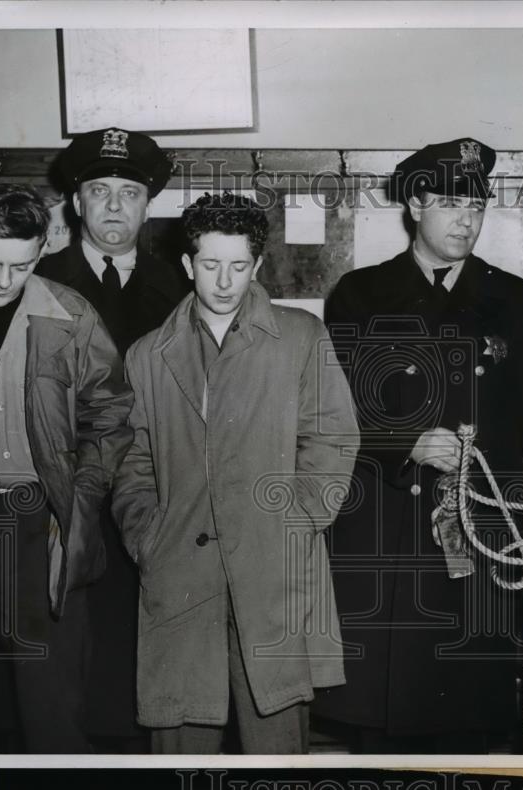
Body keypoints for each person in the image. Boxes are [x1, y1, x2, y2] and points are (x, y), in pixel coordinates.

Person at [314, 137, 523, 753]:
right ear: (415, 206)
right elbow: (329, 413)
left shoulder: (511, 297)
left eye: (476, 205)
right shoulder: (360, 295)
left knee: (473, 716)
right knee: (386, 723)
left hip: (482, 536)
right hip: (388, 531)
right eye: (449, 203)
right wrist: (403, 443)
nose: (466, 219)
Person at [111, 192, 358, 754]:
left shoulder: (300, 338)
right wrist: (147, 535)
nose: (224, 281)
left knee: (276, 742)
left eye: (239, 266)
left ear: (259, 264)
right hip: (180, 573)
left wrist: (292, 524)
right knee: (181, 735)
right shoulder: (148, 355)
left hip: (272, 570)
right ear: (186, 263)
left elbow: (332, 439)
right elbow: (132, 460)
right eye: (210, 264)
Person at [0, 183, 133, 753]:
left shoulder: (71, 316)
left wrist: (83, 494)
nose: (2, 280)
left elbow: (112, 413)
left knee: (53, 705)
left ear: (42, 250)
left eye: (19, 266)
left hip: (41, 524)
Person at [36, 127, 191, 749]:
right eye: (98, 191)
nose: (114, 206)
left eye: (129, 192)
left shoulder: (181, 290)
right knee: (62, 658)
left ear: (148, 203)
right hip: (64, 493)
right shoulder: (36, 281)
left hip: (156, 493)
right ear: (75, 202)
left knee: (141, 649)